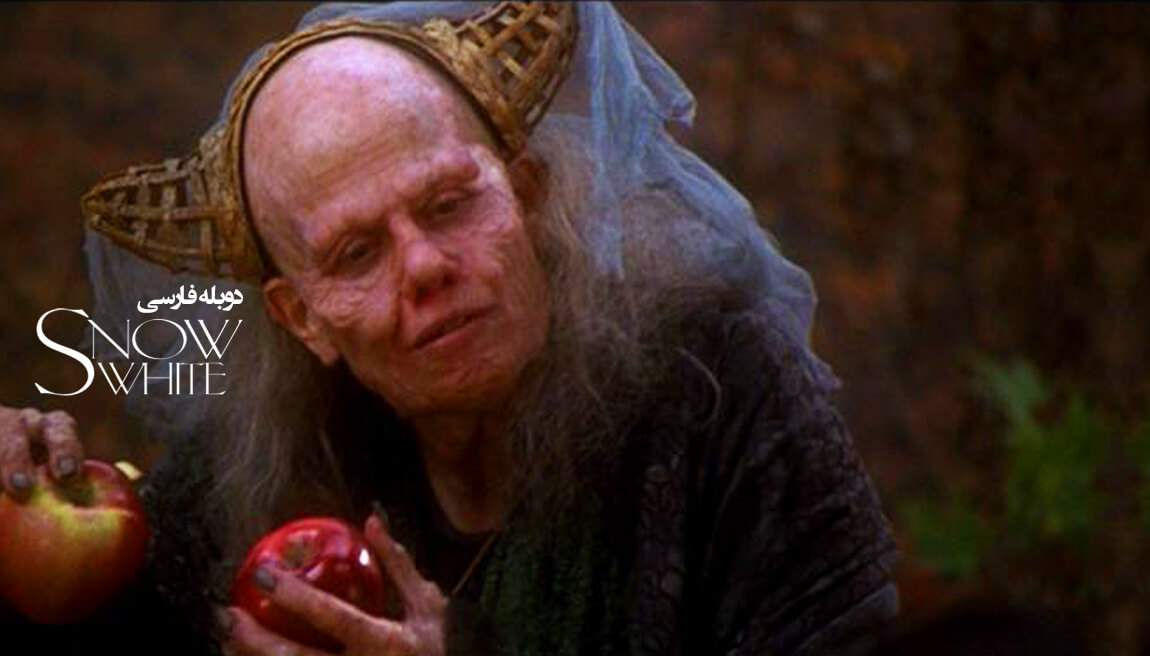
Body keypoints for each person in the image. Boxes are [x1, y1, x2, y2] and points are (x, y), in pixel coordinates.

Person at [0, 2, 896, 655]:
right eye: (356, 252)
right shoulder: (252, 479)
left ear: (527, 197)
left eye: (450, 203)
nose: (426, 266)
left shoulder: (723, 395)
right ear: (302, 317)